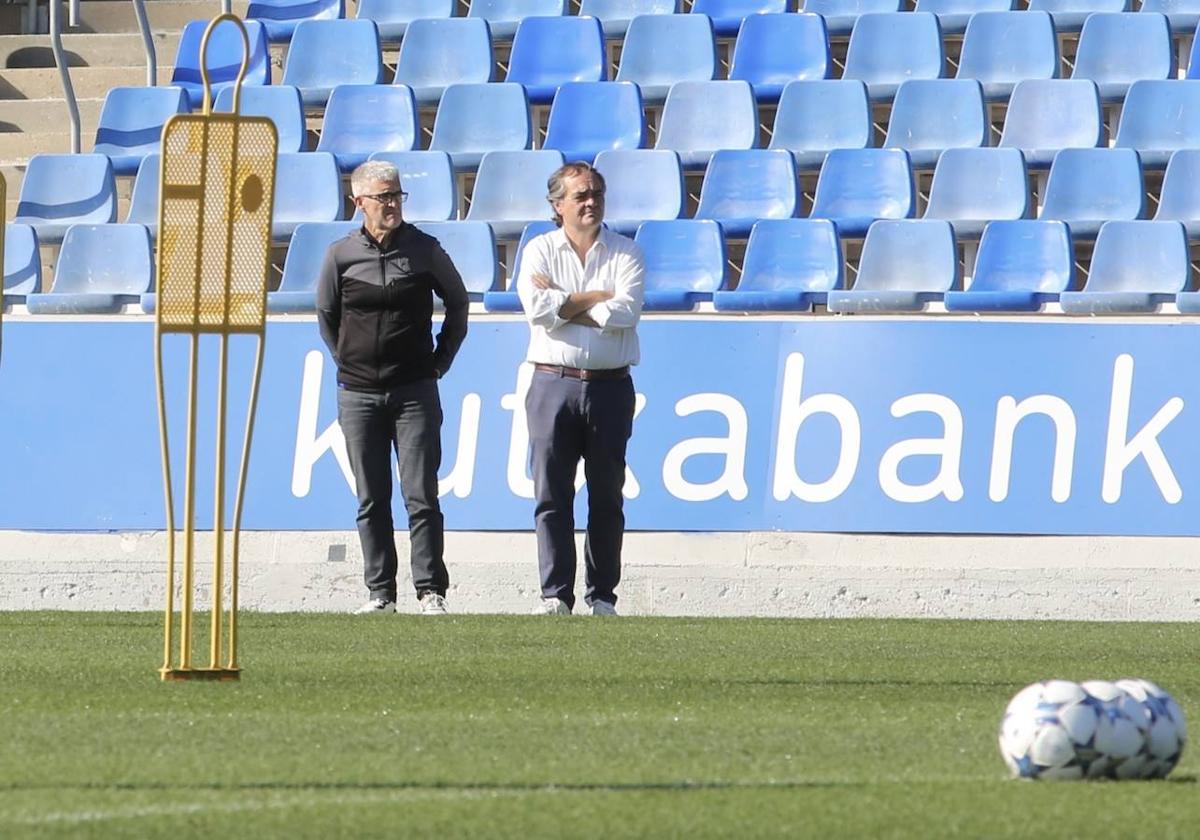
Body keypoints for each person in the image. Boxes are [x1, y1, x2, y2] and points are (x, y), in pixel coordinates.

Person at [316, 160, 469, 615]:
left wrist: (439, 362)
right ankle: (380, 592)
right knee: (371, 497)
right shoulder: (340, 255)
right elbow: (327, 316)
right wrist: (347, 361)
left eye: (397, 195)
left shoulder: (424, 249)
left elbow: (458, 304)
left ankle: (430, 591)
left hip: (414, 392)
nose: (392, 204)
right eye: (383, 197)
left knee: (421, 495)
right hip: (358, 394)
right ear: (358, 201)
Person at [516, 161, 645, 616]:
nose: (590, 202)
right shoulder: (538, 250)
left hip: (611, 386)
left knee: (606, 494)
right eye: (580, 196)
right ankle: (555, 596)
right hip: (553, 381)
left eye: (596, 194)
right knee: (551, 493)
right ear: (557, 204)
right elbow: (539, 311)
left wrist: (567, 300)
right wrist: (596, 296)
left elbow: (624, 314)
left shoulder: (626, 252)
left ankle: (603, 596)